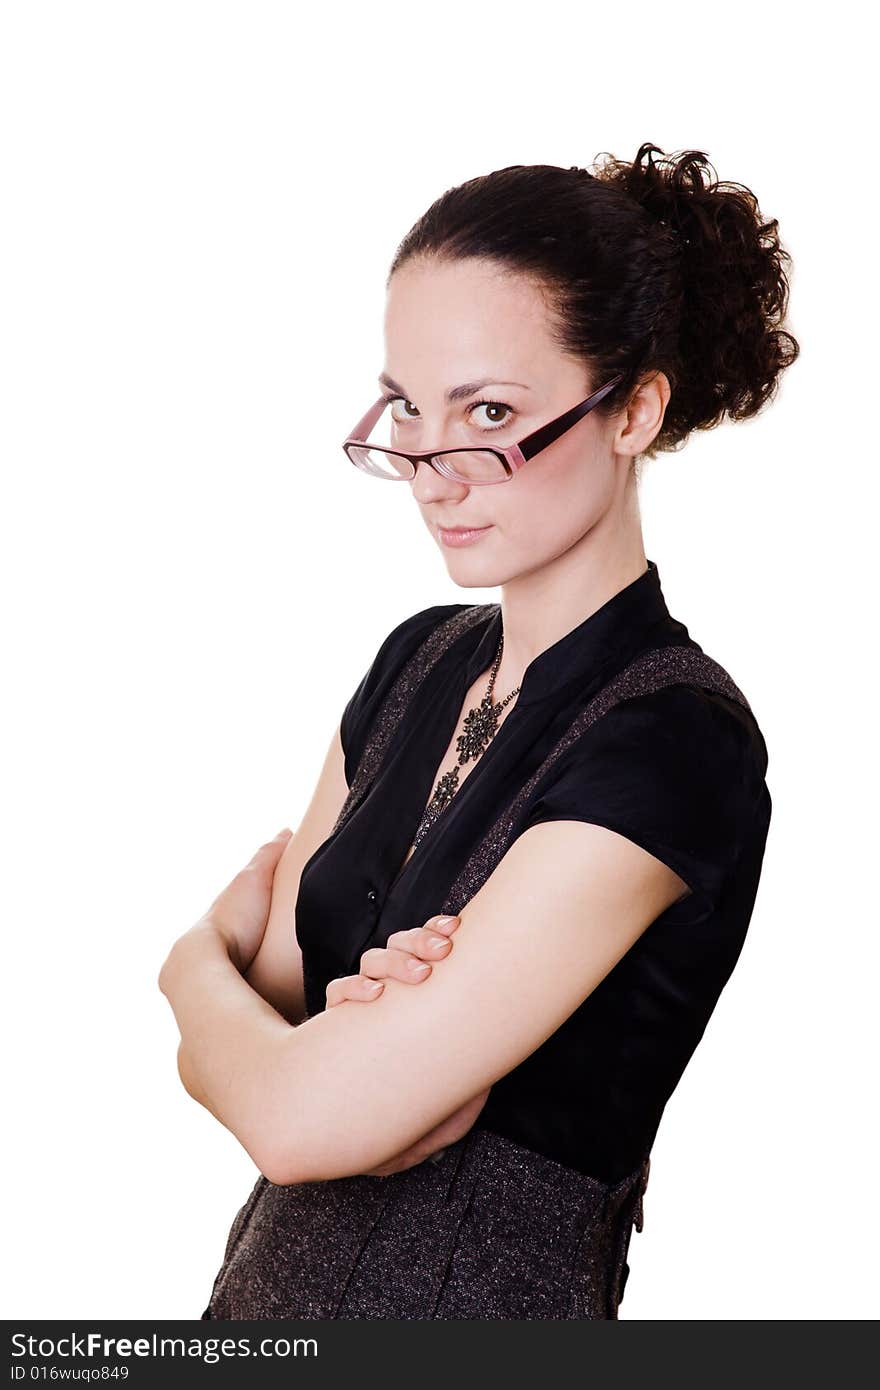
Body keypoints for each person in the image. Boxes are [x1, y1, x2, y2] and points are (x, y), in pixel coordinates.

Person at [158, 143, 799, 1319]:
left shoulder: (672, 741)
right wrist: (257, 1011)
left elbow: (295, 1113)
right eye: (409, 406)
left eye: (489, 413)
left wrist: (192, 974)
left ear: (633, 409)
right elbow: (281, 1009)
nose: (429, 472)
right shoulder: (417, 662)